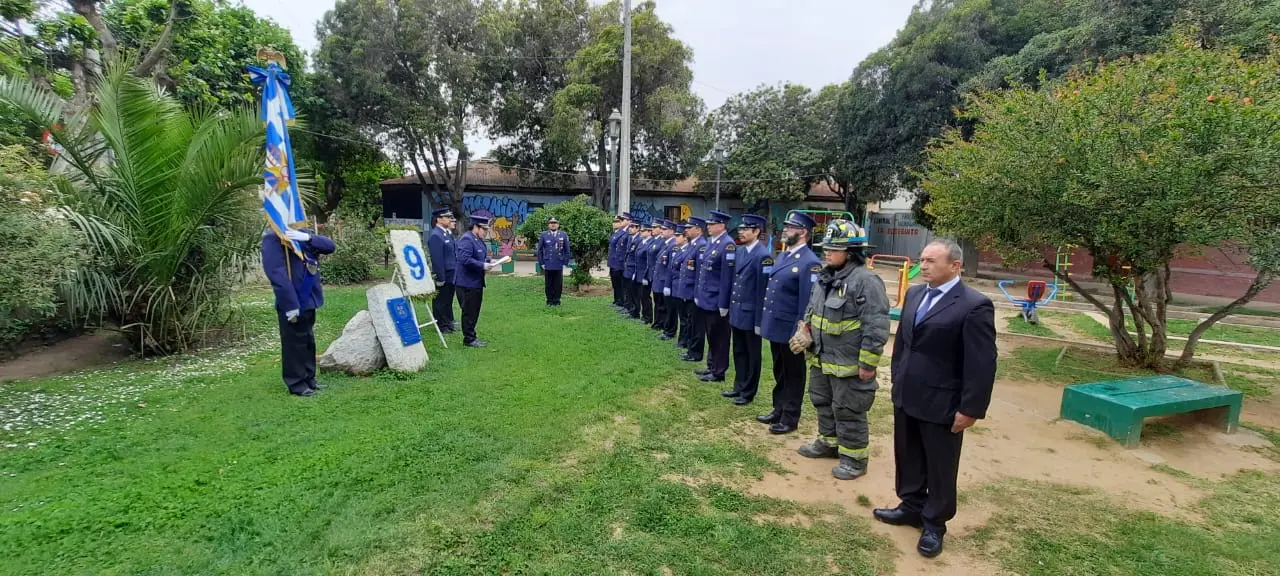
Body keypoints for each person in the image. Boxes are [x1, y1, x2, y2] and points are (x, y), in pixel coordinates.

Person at [873, 239, 997, 559]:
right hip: (907, 394)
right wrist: (898, 376)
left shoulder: (974, 305)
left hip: (943, 401)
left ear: (955, 266)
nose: (923, 266)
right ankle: (911, 506)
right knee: (908, 454)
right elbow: (903, 344)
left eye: (931, 261)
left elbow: (981, 363)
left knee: (940, 465)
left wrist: (971, 408)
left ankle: (934, 523)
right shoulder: (915, 294)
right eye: (922, 259)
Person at [794, 220, 890, 482]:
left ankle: (854, 459)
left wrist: (868, 364)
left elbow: (876, 325)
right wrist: (804, 331)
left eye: (833, 249)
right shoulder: (825, 276)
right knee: (822, 401)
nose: (826, 252)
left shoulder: (866, 281)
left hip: (849, 364)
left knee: (848, 409)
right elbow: (813, 309)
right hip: (822, 358)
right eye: (826, 248)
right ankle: (828, 443)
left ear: (851, 252)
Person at [757, 212, 820, 434]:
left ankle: (790, 416)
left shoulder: (810, 262)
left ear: (803, 232)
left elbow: (807, 301)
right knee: (779, 369)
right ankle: (778, 408)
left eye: (791, 227)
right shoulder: (784, 255)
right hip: (776, 324)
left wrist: (802, 329)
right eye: (786, 226)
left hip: (791, 327)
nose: (785, 230)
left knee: (793, 373)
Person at [261, 226, 337, 397]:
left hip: (309, 298)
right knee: (293, 344)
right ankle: (296, 383)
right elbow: (276, 274)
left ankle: (309, 378)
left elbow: (329, 247)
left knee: (308, 341)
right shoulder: (273, 238)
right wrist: (290, 304)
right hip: (293, 300)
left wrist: (308, 239)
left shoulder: (302, 233)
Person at [724, 214, 769, 405]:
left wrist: (759, 321)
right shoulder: (741, 251)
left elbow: (762, 292)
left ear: (756, 231)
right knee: (739, 350)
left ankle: (748, 391)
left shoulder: (763, 256)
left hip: (751, 313)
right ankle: (739, 385)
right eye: (740, 229)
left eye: (745, 229)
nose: (741, 232)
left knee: (752, 354)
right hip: (738, 310)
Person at [694, 210, 736, 382]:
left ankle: (719, 371)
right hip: (707, 297)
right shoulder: (713, 242)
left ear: (722, 225)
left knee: (720, 337)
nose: (709, 227)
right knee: (711, 335)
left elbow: (727, 277)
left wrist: (724, 303)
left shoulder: (727, 245)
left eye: (712, 224)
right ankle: (711, 365)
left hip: (717, 299)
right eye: (708, 224)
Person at [455, 212, 500, 348]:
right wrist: (483, 265)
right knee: (469, 312)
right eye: (484, 229)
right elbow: (465, 259)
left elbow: (480, 256)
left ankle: (471, 336)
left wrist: (488, 261)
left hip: (475, 282)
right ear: (475, 227)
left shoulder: (478, 240)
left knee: (474, 311)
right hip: (467, 283)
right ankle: (469, 339)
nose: (486, 232)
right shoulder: (467, 239)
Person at [679, 217, 709, 362]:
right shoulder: (693, 244)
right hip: (688, 289)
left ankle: (696, 352)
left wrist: (698, 293)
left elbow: (700, 273)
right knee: (691, 321)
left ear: (698, 230)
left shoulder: (701, 245)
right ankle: (691, 350)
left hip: (694, 291)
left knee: (697, 324)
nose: (686, 230)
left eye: (689, 228)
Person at [427, 207, 458, 333]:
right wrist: (440, 277)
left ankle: (448, 322)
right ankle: (441, 325)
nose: (450, 219)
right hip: (443, 273)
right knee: (440, 300)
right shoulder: (436, 235)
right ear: (438, 219)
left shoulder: (446, 233)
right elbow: (437, 259)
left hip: (451, 272)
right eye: (447, 217)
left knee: (448, 299)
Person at [662, 223, 689, 342]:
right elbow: (670, 268)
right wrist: (668, 285)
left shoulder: (688, 251)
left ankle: (684, 340)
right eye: (676, 235)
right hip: (674, 286)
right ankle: (673, 333)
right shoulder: (678, 250)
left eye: (678, 236)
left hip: (681, 287)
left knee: (683, 316)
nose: (676, 238)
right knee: (673, 311)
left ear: (685, 238)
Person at [537, 216, 572, 306]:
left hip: (559, 263)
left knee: (558, 283)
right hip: (548, 263)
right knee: (548, 283)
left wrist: (565, 263)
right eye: (551, 223)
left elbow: (567, 250)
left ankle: (557, 300)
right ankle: (549, 301)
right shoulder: (544, 235)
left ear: (558, 225)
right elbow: (539, 250)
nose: (553, 225)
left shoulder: (563, 235)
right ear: (548, 225)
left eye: (555, 223)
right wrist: (541, 263)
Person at [648, 220, 673, 332]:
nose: (662, 231)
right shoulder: (666, 244)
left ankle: (665, 326)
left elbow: (670, 267)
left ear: (671, 231)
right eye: (662, 229)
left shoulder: (672, 245)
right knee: (658, 303)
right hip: (659, 279)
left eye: (664, 229)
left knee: (664, 306)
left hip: (664, 280)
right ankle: (658, 323)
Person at [633, 222, 655, 324]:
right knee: (640, 295)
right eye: (641, 230)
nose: (641, 232)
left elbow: (648, 261)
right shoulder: (642, 242)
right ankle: (643, 315)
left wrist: (646, 276)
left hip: (645, 274)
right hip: (639, 272)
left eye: (643, 231)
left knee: (645, 296)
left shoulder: (650, 243)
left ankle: (648, 317)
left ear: (649, 232)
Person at [608, 214, 629, 310]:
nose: (614, 224)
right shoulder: (615, 233)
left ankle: (621, 301)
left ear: (621, 223)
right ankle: (616, 300)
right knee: (615, 283)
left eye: (617, 222)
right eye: (614, 222)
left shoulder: (623, 233)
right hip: (613, 261)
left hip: (618, 262)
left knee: (620, 284)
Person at [621, 218, 642, 318]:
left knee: (634, 292)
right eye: (630, 226)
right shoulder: (631, 238)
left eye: (633, 227)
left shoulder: (639, 240)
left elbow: (637, 257)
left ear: (638, 228)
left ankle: (634, 312)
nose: (630, 228)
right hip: (628, 267)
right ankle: (628, 307)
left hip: (633, 268)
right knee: (628, 290)